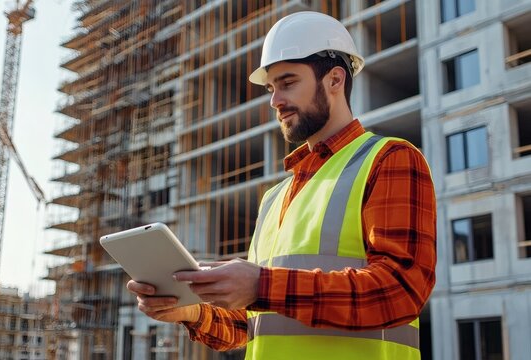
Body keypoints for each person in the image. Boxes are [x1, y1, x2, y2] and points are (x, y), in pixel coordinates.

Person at [128, 11, 436, 359]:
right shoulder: (275, 197)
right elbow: (253, 325)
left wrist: (261, 283)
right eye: (271, 88)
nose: (275, 101)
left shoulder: (389, 159)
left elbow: (401, 291)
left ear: (335, 80)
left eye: (288, 83)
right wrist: (190, 311)